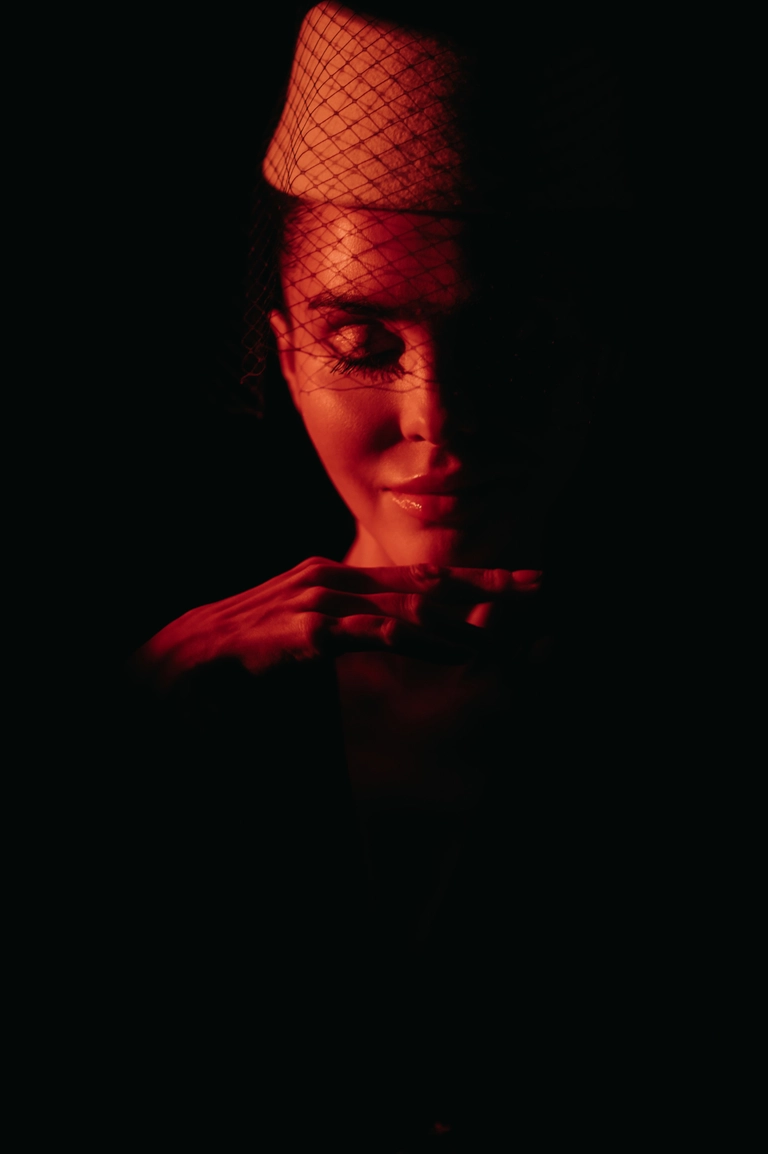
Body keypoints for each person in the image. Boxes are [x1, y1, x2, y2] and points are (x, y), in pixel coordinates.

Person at [120, 3, 644, 1147]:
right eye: (362, 346)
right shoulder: (180, 699)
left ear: (601, 354)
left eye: (513, 344)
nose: (437, 419)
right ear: (283, 350)